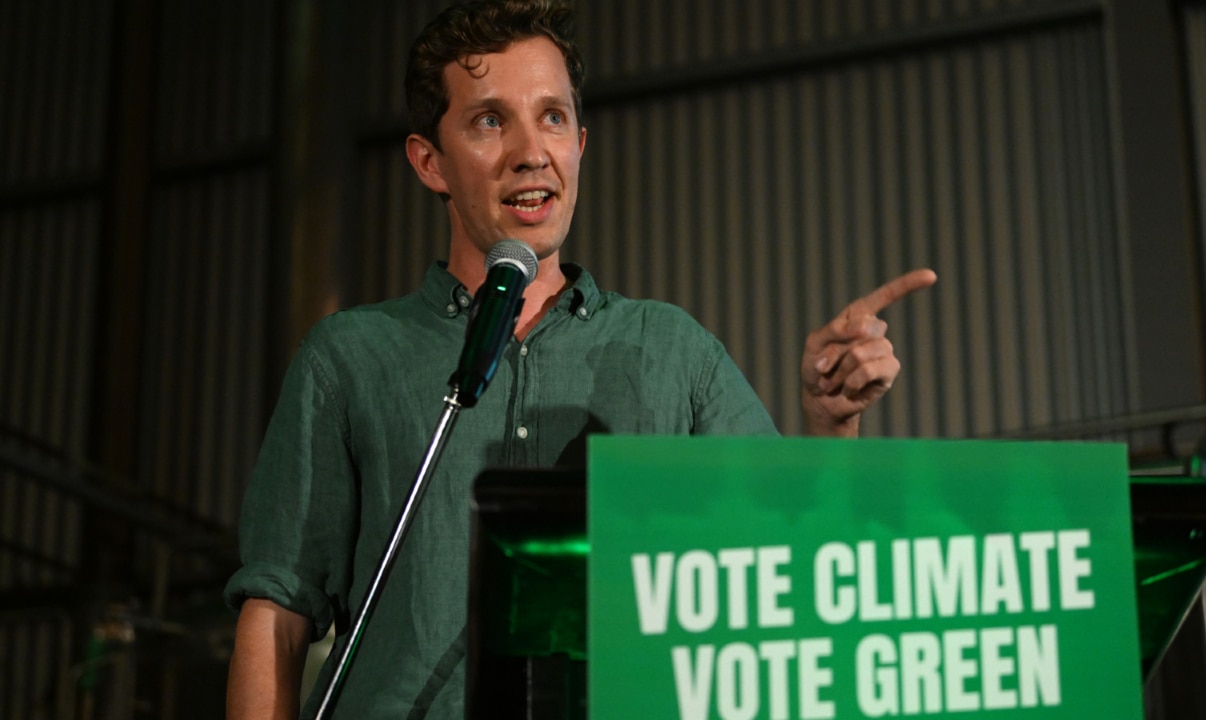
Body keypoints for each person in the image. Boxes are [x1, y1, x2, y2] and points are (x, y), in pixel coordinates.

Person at [224, 1, 936, 717]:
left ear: (580, 145)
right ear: (429, 162)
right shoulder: (349, 358)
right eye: (490, 121)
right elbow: (277, 612)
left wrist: (830, 425)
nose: (531, 151)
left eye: (553, 117)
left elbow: (786, 571)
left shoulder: (672, 351)